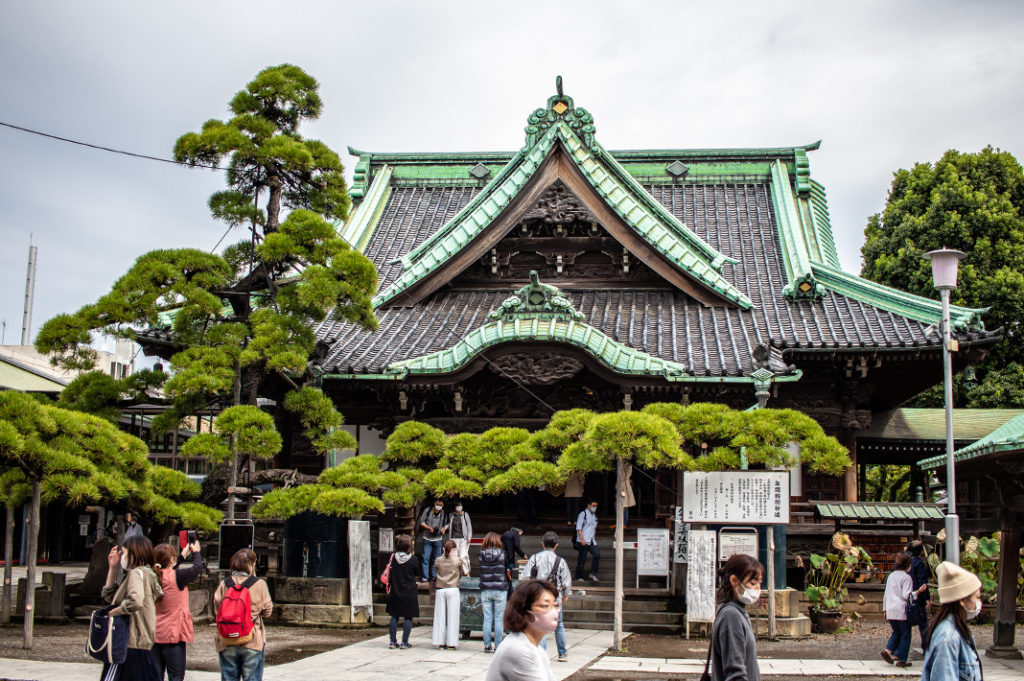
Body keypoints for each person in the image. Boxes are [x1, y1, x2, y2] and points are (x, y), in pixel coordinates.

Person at [101, 534, 164, 681]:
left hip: (129, 641)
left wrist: (113, 612)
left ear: (134, 553)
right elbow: (112, 596)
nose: (122, 556)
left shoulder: (136, 573)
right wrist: (112, 568)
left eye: (124, 553)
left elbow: (134, 601)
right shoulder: (147, 574)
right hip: (141, 644)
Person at [214, 548, 273, 681]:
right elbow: (268, 611)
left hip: (227, 639)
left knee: (229, 678)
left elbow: (217, 608)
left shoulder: (225, 583)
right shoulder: (259, 584)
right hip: (251, 639)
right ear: (250, 565)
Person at [484, 579, 559, 681]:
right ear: (524, 612)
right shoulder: (518, 650)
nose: (553, 611)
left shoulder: (538, 650)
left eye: (555, 605)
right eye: (544, 606)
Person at [920, 561, 983, 681]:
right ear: (962, 600)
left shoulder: (957, 630)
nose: (979, 603)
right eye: (977, 597)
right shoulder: (948, 637)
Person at [152, 538, 205, 681]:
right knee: (176, 676)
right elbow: (197, 568)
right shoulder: (178, 577)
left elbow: (168, 571)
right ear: (171, 559)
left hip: (153, 633)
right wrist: (197, 553)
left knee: (155, 676)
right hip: (173, 634)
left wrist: (182, 557)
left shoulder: (152, 576)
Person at [710, 553, 764, 681]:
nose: (757, 588)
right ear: (734, 581)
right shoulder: (731, 616)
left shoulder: (736, 612)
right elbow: (735, 674)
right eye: (753, 582)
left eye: (759, 583)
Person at [523, 531, 572, 662]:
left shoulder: (533, 558)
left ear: (542, 543)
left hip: (537, 596)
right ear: (556, 545)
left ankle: (541, 654)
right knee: (559, 625)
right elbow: (566, 580)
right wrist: (566, 594)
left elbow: (525, 576)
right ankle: (562, 653)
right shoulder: (560, 561)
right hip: (554, 597)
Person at [386, 534, 420, 649]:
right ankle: (404, 642)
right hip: (409, 590)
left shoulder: (393, 558)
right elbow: (416, 572)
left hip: (395, 589)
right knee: (408, 617)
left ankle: (392, 641)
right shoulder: (413, 559)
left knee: (394, 616)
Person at [881, 552, 914, 667]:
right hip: (901, 610)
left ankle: (888, 651)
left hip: (890, 608)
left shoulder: (891, 576)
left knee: (896, 632)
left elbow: (886, 593)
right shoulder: (906, 578)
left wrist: (884, 609)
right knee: (905, 634)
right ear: (907, 566)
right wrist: (917, 593)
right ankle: (902, 658)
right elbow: (906, 595)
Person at [479, 531, 510, 653]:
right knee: (498, 618)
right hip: (500, 588)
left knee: (487, 618)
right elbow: (506, 566)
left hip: (486, 588)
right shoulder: (503, 554)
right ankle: (498, 645)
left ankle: (487, 645)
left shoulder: (482, 554)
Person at [432, 540, 462, 649]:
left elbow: (435, 568)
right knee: (452, 617)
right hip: (453, 588)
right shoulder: (457, 560)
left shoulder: (439, 560)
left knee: (440, 616)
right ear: (453, 549)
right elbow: (462, 570)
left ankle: (440, 641)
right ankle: (452, 642)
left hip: (440, 588)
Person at [907, 540, 931, 648]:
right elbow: (922, 581)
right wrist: (926, 598)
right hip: (918, 595)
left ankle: (897, 650)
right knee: (923, 624)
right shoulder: (918, 563)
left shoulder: (902, 562)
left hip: (904, 595)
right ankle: (926, 647)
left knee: (904, 625)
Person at [419, 498, 449, 581]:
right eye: (437, 504)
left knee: (436, 559)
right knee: (425, 558)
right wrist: (429, 528)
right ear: (434, 503)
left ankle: (434, 576)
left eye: (440, 505)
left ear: (443, 505)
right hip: (427, 538)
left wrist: (444, 528)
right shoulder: (428, 511)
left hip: (438, 538)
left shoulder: (443, 514)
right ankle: (425, 577)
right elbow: (421, 522)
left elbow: (447, 523)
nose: (438, 506)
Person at [574, 500, 600, 581]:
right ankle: (578, 576)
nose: (594, 507)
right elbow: (578, 527)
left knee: (597, 554)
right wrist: (582, 539)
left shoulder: (594, 516)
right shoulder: (583, 514)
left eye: (596, 506)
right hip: (583, 539)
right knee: (582, 559)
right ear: (588, 505)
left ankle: (593, 573)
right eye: (593, 505)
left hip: (591, 540)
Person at [448, 501, 473, 577]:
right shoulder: (451, 515)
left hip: (463, 539)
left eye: (460, 505)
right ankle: (457, 575)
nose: (459, 507)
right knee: (454, 557)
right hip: (454, 538)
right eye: (458, 505)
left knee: (463, 556)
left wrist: (469, 537)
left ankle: (467, 574)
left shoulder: (465, 514)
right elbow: (449, 525)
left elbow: (469, 526)